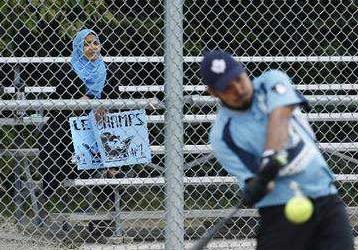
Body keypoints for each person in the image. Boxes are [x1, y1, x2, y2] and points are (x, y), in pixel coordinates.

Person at [199, 50, 354, 250]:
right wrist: (257, 185)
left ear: (244, 71)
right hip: (279, 213)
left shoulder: (271, 81)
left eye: (238, 79)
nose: (238, 89)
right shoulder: (222, 136)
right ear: (213, 92)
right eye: (227, 87)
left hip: (325, 198)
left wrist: (270, 156)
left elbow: (280, 115)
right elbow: (256, 181)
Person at [40, 29, 108, 205]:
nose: (92, 47)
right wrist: (82, 102)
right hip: (68, 124)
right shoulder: (68, 70)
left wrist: (99, 102)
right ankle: (53, 183)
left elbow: (112, 94)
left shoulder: (104, 70)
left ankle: (105, 205)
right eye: (86, 44)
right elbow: (60, 103)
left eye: (95, 43)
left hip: (98, 123)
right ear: (78, 47)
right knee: (54, 134)